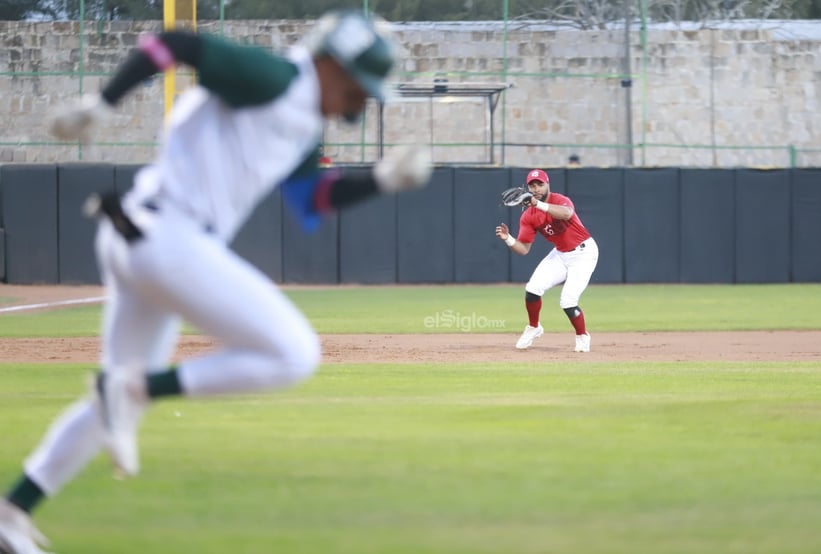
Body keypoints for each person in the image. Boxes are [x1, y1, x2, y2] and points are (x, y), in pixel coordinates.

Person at [0, 10, 431, 554]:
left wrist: (382, 179)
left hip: (137, 234)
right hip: (169, 239)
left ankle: (12, 513)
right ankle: (136, 387)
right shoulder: (277, 78)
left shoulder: (304, 120)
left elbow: (312, 200)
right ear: (331, 65)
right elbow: (177, 40)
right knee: (293, 354)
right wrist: (104, 102)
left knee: (113, 403)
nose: (360, 103)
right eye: (358, 88)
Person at [495, 168, 598, 352]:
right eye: (532, 185)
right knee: (532, 289)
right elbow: (524, 249)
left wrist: (536, 203)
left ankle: (582, 336)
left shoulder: (560, 200)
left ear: (548, 184)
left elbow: (566, 214)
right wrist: (508, 239)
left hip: (584, 253)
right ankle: (534, 327)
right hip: (560, 254)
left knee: (568, 300)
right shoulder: (528, 216)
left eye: (540, 184)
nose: (536, 189)